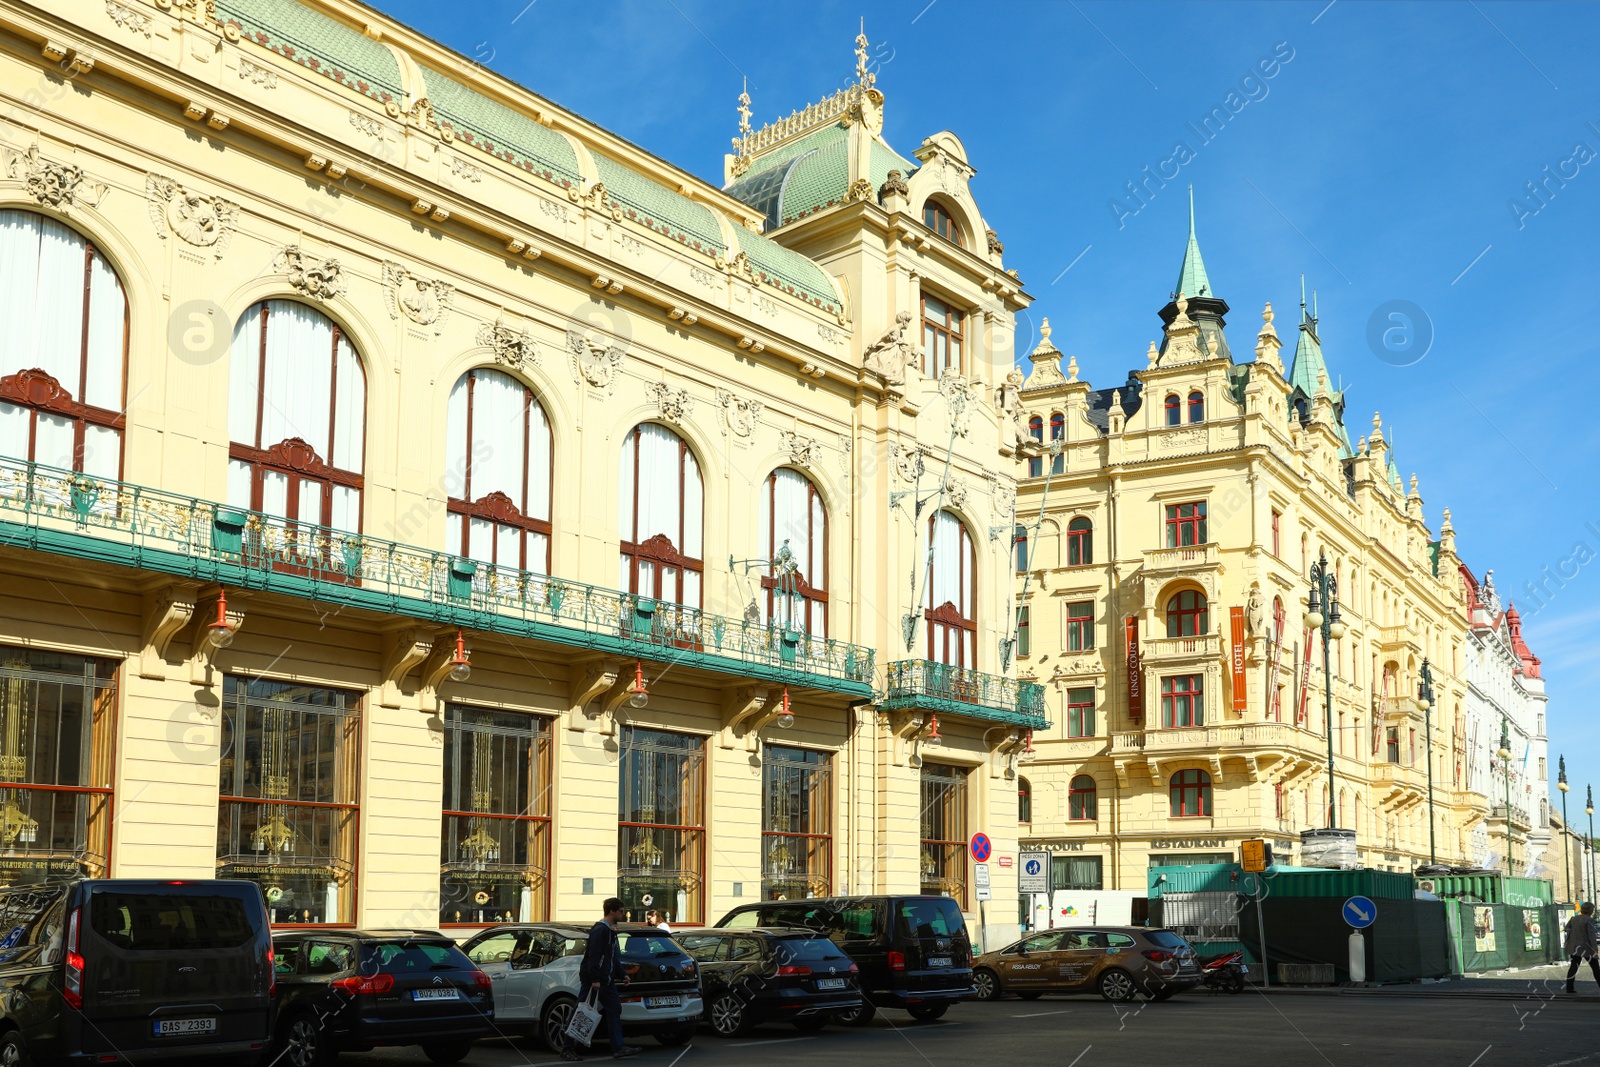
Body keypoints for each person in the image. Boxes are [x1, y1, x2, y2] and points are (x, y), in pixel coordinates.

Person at [568, 898, 639, 1061]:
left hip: (607, 981)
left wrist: (622, 974)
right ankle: (567, 1047)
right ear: (612, 911)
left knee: (614, 1010)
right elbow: (594, 955)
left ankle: (618, 1047)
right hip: (596, 981)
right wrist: (595, 979)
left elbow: (611, 957)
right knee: (581, 1012)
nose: (623, 914)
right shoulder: (600, 930)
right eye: (621, 911)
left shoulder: (610, 931)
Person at [1565, 901, 1599, 994]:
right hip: (1587, 948)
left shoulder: (1574, 919)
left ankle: (1569, 988)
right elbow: (1591, 935)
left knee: (1573, 967)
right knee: (1596, 968)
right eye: (1592, 909)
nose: (1593, 911)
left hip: (1575, 947)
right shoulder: (1589, 920)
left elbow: (1567, 928)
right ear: (1590, 910)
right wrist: (1595, 949)